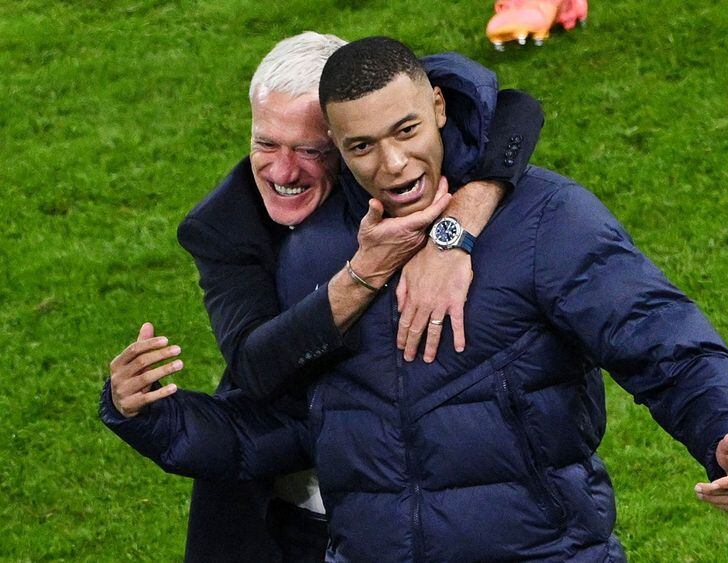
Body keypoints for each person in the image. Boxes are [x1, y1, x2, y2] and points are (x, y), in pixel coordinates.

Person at [103, 36, 728, 560]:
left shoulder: (546, 218)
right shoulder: (312, 254)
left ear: (439, 107)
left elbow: (660, 336)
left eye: (405, 132)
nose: (392, 164)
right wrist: (149, 415)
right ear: (338, 149)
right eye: (362, 146)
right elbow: (285, 420)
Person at [103, 32, 542, 562]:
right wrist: (363, 275)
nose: (283, 172)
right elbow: (257, 367)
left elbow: (513, 109)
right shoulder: (224, 228)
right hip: (289, 513)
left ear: (348, 138)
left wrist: (462, 222)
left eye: (310, 151)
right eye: (265, 143)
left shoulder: (393, 145)